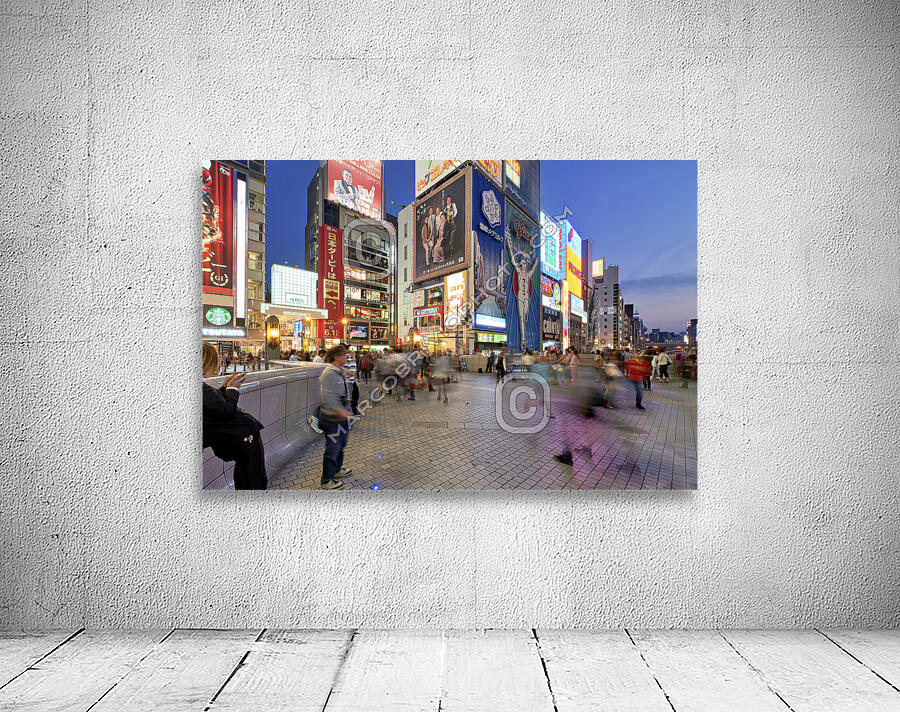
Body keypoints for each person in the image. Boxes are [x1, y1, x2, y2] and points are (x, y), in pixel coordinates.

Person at [202, 342, 267, 490]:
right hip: (244, 437)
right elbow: (226, 411)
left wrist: (225, 388)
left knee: (244, 474)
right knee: (253, 477)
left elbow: (213, 405)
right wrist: (232, 390)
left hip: (237, 438)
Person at [319, 344, 354, 490]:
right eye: (344, 355)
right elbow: (329, 398)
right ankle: (326, 480)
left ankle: (337, 470)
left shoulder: (338, 371)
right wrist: (342, 412)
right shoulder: (329, 373)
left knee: (340, 445)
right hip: (332, 418)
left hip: (340, 417)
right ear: (336, 357)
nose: (347, 357)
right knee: (332, 449)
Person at [342, 345, 360, 415]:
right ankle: (351, 412)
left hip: (347, 381)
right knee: (351, 398)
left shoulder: (344, 360)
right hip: (349, 382)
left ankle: (352, 411)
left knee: (353, 396)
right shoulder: (349, 360)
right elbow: (352, 373)